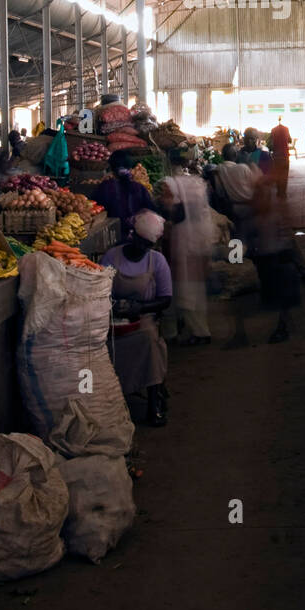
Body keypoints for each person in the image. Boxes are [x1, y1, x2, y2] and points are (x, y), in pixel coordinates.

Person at [102, 209, 172, 427]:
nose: (142, 248)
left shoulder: (157, 261)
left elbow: (166, 299)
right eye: (139, 242)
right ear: (132, 236)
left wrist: (139, 307)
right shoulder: (112, 256)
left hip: (144, 318)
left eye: (147, 245)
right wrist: (113, 307)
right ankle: (110, 403)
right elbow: (99, 289)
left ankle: (154, 402)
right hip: (113, 318)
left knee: (150, 341)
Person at [159, 149, 213, 345]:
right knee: (192, 293)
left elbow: (172, 208)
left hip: (188, 252)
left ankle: (200, 333)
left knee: (187, 293)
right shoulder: (194, 190)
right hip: (193, 250)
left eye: (168, 197)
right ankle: (188, 331)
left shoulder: (187, 229)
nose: (166, 201)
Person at [250, 172, 301, 343]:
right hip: (268, 256)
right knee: (275, 293)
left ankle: (282, 326)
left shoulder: (274, 214)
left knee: (281, 293)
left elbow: (286, 236)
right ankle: (282, 325)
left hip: (277, 256)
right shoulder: (263, 214)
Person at [93, 150, 156, 239]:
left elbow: (96, 211)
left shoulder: (105, 187)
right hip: (139, 240)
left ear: (111, 169)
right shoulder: (140, 188)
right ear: (130, 168)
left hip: (114, 239)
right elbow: (151, 211)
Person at [214, 144, 260, 242]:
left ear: (222, 156)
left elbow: (220, 192)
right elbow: (256, 186)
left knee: (238, 237)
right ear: (236, 154)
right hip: (250, 209)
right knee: (250, 237)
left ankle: (238, 254)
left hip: (232, 209)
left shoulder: (219, 169)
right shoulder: (243, 168)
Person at [269, 119, 291, 199]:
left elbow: (270, 144)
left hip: (276, 156)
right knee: (284, 174)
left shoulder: (273, 130)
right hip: (285, 155)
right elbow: (289, 140)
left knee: (277, 174)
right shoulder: (286, 129)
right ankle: (283, 193)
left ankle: (278, 192)